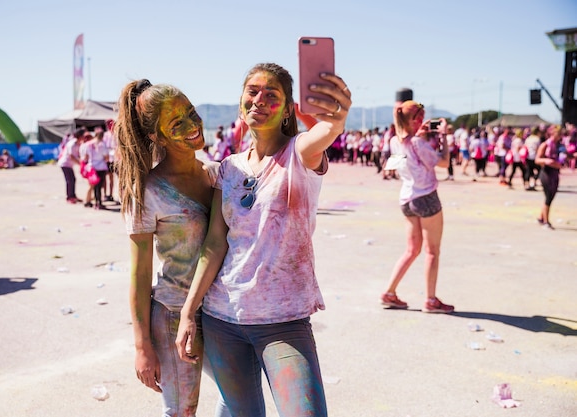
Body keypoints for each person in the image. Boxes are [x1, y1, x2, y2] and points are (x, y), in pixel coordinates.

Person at [175, 62, 351, 416]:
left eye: (272, 94)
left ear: (288, 109)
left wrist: (337, 117)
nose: (259, 99)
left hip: (283, 321)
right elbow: (215, 243)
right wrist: (188, 312)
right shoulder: (229, 168)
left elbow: (326, 132)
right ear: (240, 100)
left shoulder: (300, 153)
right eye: (252, 91)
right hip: (222, 318)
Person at [114, 79, 228, 417]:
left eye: (192, 113)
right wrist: (142, 346)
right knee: (182, 411)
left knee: (240, 400)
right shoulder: (148, 192)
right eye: (178, 123)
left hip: (222, 313)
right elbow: (140, 273)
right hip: (174, 316)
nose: (193, 126)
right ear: (156, 137)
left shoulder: (216, 174)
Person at [380, 100, 454, 313]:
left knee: (412, 249)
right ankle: (431, 300)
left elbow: (395, 165)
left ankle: (390, 292)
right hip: (426, 196)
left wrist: (418, 138)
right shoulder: (418, 143)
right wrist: (443, 137)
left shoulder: (395, 141)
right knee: (432, 251)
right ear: (417, 119)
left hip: (407, 198)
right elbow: (443, 162)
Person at [534, 125, 565, 230]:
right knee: (548, 196)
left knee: (551, 196)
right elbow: (537, 159)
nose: (560, 136)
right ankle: (546, 221)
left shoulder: (559, 145)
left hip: (555, 173)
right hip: (546, 173)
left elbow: (566, 156)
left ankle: (541, 217)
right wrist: (546, 161)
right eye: (558, 133)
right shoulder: (545, 145)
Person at [83, 129, 109, 210]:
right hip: (101, 167)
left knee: (94, 186)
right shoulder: (102, 144)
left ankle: (96, 202)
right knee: (100, 186)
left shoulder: (89, 144)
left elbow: (85, 157)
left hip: (92, 167)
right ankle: (99, 202)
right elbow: (106, 157)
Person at [57, 128, 84, 204]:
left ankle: (73, 195)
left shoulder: (78, 143)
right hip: (65, 164)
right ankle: (69, 197)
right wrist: (80, 164)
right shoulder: (72, 143)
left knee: (73, 179)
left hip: (70, 164)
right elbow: (71, 156)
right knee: (70, 180)